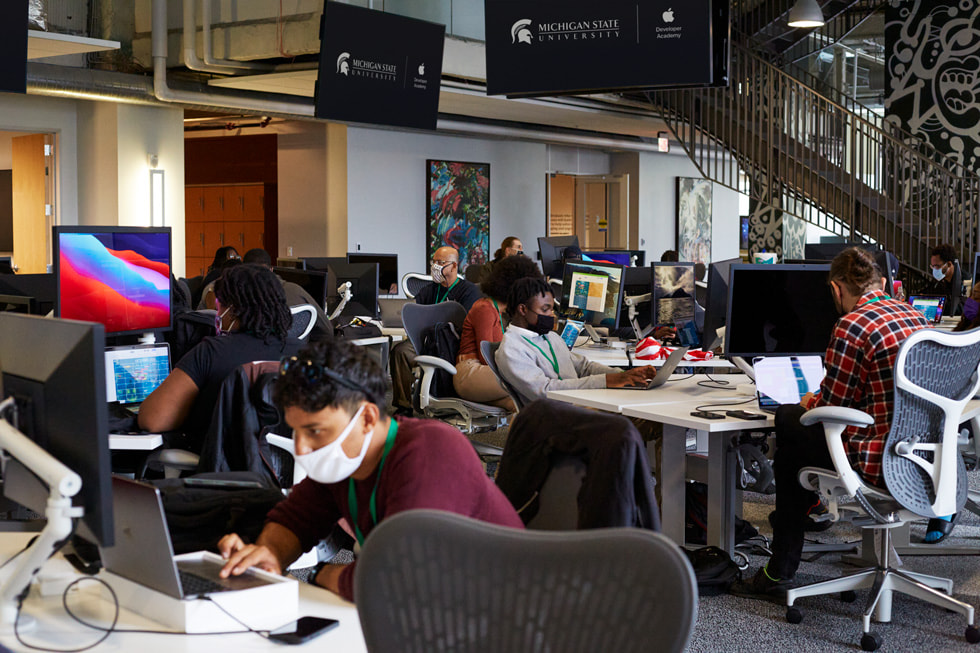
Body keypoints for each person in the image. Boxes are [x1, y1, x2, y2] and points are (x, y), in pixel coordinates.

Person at [216, 339, 523, 602]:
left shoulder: (430, 451)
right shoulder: (345, 461)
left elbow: (399, 581)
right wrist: (268, 552)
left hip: (498, 616)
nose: (302, 448)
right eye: (297, 432)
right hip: (432, 613)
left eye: (315, 431)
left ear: (365, 418)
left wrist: (320, 573)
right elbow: (296, 519)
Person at [730, 248, 930, 601]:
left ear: (836, 290)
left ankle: (780, 570)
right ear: (881, 282)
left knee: (790, 425)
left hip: (875, 459)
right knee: (794, 432)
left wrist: (804, 403)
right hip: (920, 456)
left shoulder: (852, 325)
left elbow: (829, 407)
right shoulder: (916, 318)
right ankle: (805, 516)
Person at [139, 264, 302, 451]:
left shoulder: (211, 352)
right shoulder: (303, 353)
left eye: (219, 306)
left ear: (232, 309)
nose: (218, 314)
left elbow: (152, 420)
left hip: (222, 472)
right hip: (290, 472)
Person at [495, 277, 658, 408]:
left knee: (647, 413)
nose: (552, 315)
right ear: (522, 310)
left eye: (552, 309)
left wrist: (622, 375)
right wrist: (607, 380)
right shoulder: (512, 349)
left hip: (581, 405)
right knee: (632, 423)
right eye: (545, 310)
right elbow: (545, 391)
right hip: (554, 418)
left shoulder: (549, 336)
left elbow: (583, 367)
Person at [389, 246, 482, 411]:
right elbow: (414, 313)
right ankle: (404, 406)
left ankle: (442, 401)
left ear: (454, 266)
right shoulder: (430, 290)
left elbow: (464, 323)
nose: (435, 267)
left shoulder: (469, 291)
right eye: (434, 262)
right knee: (400, 352)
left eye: (440, 262)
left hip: (450, 342)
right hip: (424, 340)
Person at [454, 254, 542, 411]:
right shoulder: (485, 309)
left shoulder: (501, 312)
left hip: (490, 373)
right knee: (528, 377)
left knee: (527, 406)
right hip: (469, 371)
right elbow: (486, 357)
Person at [240, 248, 333, 342]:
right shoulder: (296, 290)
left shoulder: (238, 296)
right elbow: (327, 331)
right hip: (295, 353)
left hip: (256, 354)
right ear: (271, 270)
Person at [925, 243, 962, 316]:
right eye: (933, 266)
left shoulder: (965, 281)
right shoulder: (939, 283)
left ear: (949, 264)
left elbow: (961, 309)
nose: (935, 270)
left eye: (937, 266)